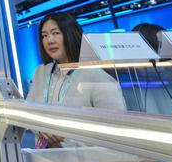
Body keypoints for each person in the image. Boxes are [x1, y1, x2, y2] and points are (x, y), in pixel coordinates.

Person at [26, 12, 125, 148]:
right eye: (44, 35)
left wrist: (64, 139)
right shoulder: (41, 72)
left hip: (84, 156)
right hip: (44, 155)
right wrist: (41, 128)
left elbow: (116, 126)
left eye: (56, 33)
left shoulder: (94, 74)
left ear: (70, 34)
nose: (50, 40)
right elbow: (28, 111)